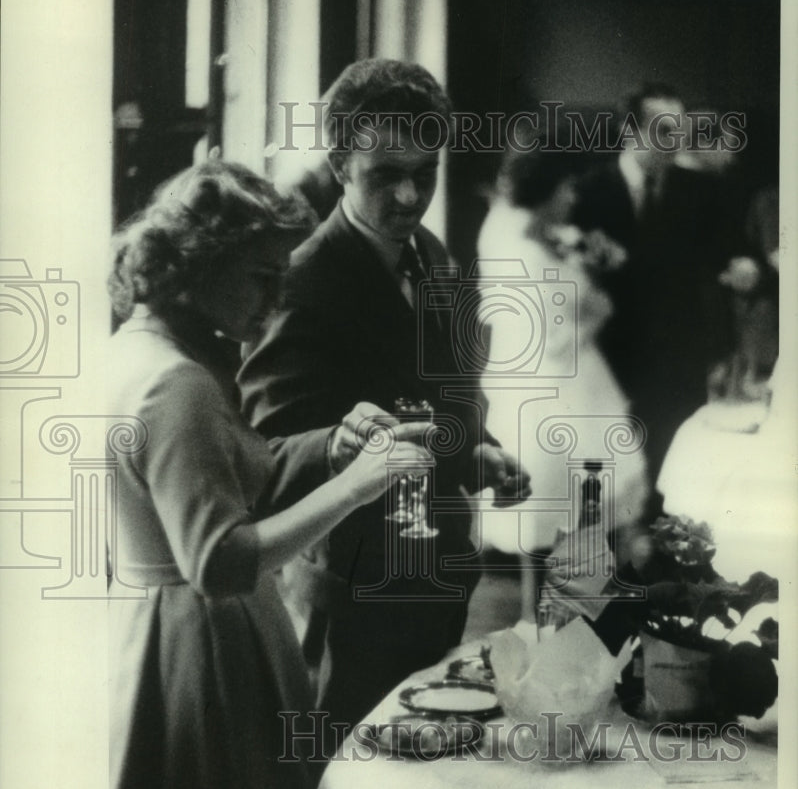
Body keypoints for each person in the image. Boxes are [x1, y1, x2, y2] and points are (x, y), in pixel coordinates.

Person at [106, 159, 431, 789]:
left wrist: (333, 447)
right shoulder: (177, 383)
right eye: (260, 276)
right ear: (199, 264)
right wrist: (356, 488)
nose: (275, 298)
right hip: (205, 641)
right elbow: (219, 561)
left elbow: (227, 470)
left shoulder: (139, 349)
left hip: (151, 631)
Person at [238, 58, 529, 732]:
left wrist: (476, 454)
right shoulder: (300, 281)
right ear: (340, 165)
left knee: (428, 760)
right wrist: (336, 446)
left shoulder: (431, 253)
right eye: (385, 175)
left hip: (440, 577)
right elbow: (265, 454)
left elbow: (443, 396)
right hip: (352, 594)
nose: (408, 197)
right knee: (341, 779)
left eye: (424, 174)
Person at [477, 134, 648, 555]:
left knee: (586, 497)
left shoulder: (543, 235)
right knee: (554, 492)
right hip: (548, 381)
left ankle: (579, 594)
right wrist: (594, 309)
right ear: (547, 188)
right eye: (568, 186)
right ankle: (548, 599)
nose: (574, 196)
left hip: (575, 372)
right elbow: (548, 338)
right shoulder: (516, 248)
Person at [572, 83, 743, 502]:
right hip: (609, 355)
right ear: (631, 132)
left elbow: (731, 249)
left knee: (667, 466)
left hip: (676, 355)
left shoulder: (699, 189)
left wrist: (745, 266)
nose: (678, 142)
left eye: (681, 131)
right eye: (666, 131)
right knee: (605, 470)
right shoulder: (588, 189)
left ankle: (658, 555)